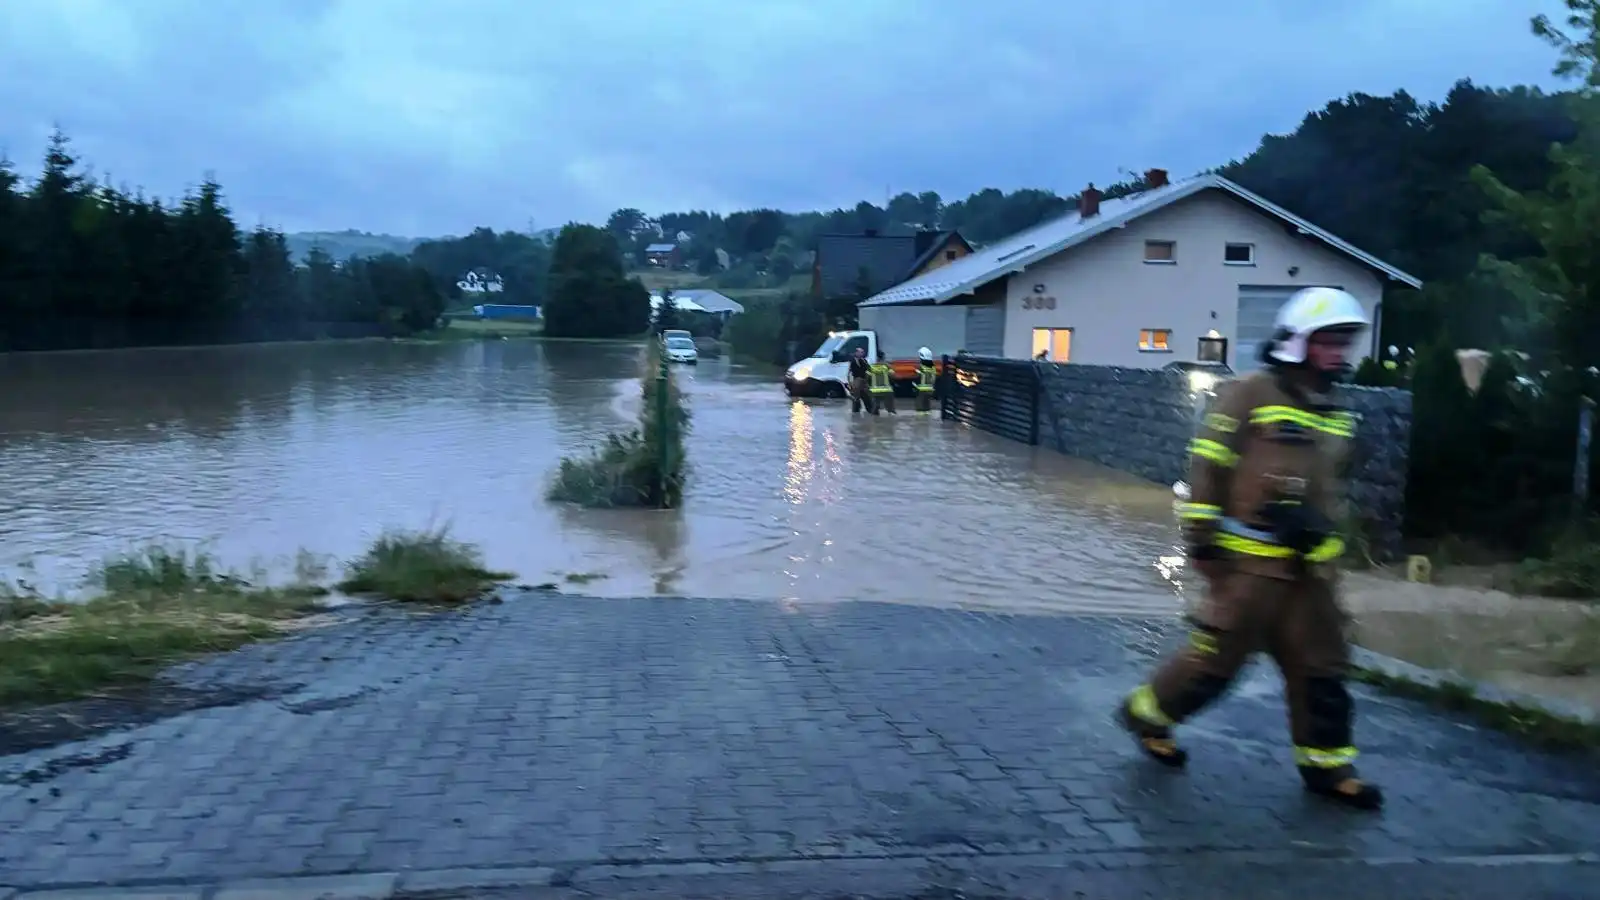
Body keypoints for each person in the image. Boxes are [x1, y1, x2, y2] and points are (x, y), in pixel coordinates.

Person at [1116, 286, 1383, 812]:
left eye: (1345, 343)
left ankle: (1329, 769)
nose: (1340, 354)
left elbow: (1331, 487)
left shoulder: (1335, 409)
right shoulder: (1250, 394)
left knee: (1323, 667)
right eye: (1330, 342)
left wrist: (1327, 542)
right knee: (1217, 663)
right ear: (1299, 341)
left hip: (1309, 572)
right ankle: (1148, 715)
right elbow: (1208, 464)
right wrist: (1202, 540)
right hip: (1247, 568)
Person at [868, 351, 897, 415]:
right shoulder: (887, 366)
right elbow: (893, 376)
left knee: (874, 408)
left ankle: (873, 419)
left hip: (875, 391)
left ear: (876, 357)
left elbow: (867, 378)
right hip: (886, 390)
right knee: (891, 408)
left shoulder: (871, 367)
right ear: (883, 357)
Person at [847, 346, 873, 414]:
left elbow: (869, 369)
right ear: (856, 353)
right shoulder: (852, 361)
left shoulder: (864, 360)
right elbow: (849, 373)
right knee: (856, 399)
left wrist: (868, 379)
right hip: (857, 381)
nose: (862, 353)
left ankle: (870, 411)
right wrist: (850, 383)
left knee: (867, 397)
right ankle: (856, 412)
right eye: (860, 352)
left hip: (864, 381)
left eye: (862, 352)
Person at [914, 347, 937, 414]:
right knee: (927, 408)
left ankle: (920, 422)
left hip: (921, 390)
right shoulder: (933, 368)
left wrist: (914, 386)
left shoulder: (920, 367)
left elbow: (917, 378)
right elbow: (934, 379)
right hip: (930, 390)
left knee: (920, 409)